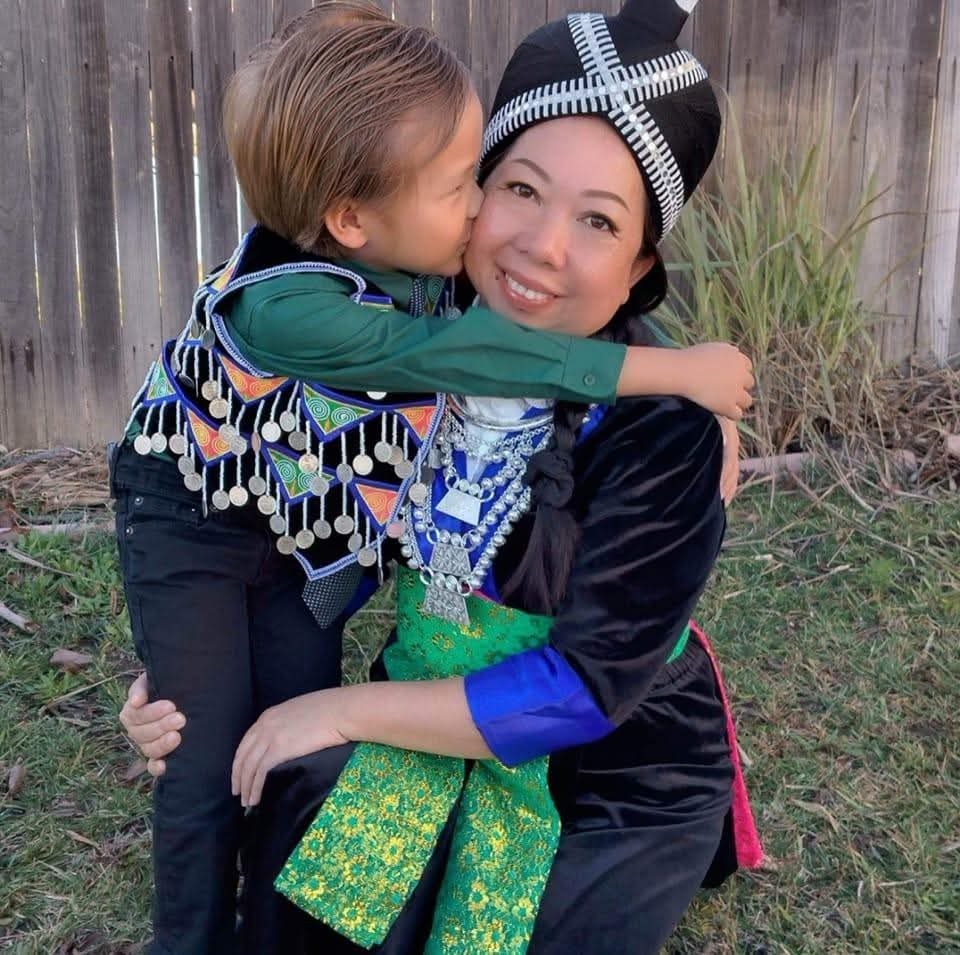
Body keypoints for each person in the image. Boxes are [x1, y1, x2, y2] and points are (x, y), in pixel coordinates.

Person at [123, 2, 762, 952]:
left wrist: (338, 705)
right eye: (517, 188)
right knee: (303, 892)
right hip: (425, 705)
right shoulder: (402, 316)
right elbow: (268, 492)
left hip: (608, 758)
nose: (543, 245)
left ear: (637, 267)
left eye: (598, 220)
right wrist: (189, 673)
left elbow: (582, 689)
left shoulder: (660, 430)